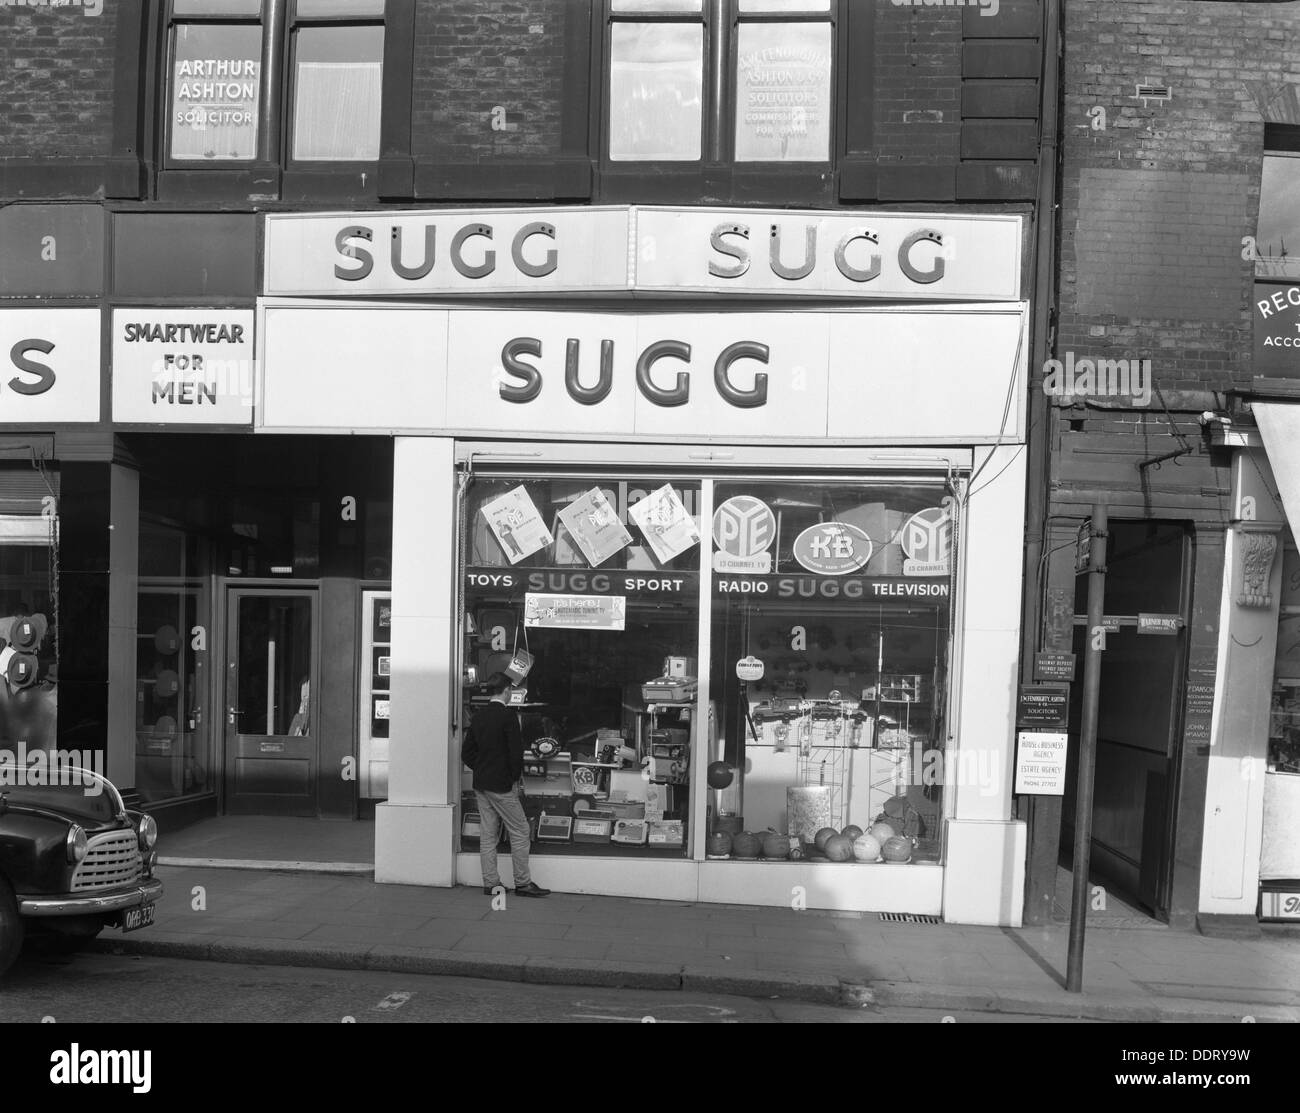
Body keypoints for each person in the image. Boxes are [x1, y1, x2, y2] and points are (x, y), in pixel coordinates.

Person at [461, 673, 550, 898]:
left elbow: (467, 753)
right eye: (511, 690)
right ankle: (523, 883)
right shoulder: (508, 717)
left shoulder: (478, 717)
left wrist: (481, 768)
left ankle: (491, 884)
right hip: (502, 786)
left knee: (488, 834)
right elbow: (515, 753)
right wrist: (511, 778)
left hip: (481, 784)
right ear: (507, 691)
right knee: (520, 830)